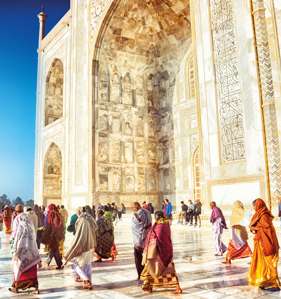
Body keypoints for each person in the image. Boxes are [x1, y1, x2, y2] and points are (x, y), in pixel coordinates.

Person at [140, 211, 182, 294]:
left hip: (159, 251)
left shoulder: (161, 225)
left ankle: (176, 286)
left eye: (155, 216)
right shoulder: (162, 224)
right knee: (151, 268)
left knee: (160, 268)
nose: (155, 218)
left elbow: (159, 236)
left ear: (158, 217)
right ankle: (148, 285)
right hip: (157, 250)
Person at [248, 198, 280, 290]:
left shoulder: (264, 215)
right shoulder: (259, 214)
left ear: (258, 205)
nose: (253, 208)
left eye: (254, 206)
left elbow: (267, 229)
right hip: (260, 242)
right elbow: (259, 226)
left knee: (270, 263)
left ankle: (275, 283)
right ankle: (264, 280)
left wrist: (255, 227)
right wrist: (254, 227)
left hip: (267, 242)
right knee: (261, 263)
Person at [9, 204, 41, 294]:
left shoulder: (17, 219)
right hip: (31, 246)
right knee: (31, 266)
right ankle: (34, 284)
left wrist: (13, 247)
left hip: (21, 247)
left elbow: (14, 234)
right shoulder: (28, 218)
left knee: (18, 265)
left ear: (16, 211)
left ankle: (17, 285)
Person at [64, 209, 97, 290]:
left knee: (75, 264)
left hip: (83, 248)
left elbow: (77, 242)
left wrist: (68, 255)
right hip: (91, 246)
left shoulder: (82, 222)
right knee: (88, 265)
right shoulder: (89, 220)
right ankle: (88, 282)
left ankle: (86, 279)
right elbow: (96, 227)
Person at [132, 202, 152, 283]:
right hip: (148, 238)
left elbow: (137, 226)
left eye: (132, 207)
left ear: (135, 207)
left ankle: (141, 274)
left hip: (139, 239)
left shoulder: (137, 215)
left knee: (138, 258)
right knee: (146, 257)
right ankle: (147, 274)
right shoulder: (147, 212)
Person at [42, 204, 64, 269]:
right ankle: (59, 263)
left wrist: (47, 235)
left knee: (53, 249)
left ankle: (48, 262)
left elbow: (48, 225)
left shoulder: (51, 214)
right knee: (54, 249)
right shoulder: (59, 215)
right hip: (57, 236)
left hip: (53, 236)